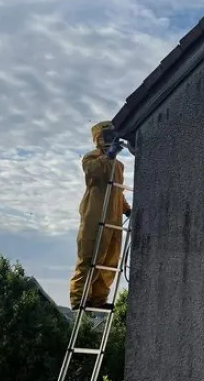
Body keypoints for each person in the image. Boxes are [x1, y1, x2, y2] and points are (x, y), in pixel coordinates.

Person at [69, 121, 131, 311]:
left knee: (109, 260)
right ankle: (79, 298)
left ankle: (98, 299)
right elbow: (93, 174)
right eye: (108, 136)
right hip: (94, 217)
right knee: (90, 257)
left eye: (113, 135)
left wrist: (127, 210)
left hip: (113, 220)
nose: (112, 139)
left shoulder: (118, 166)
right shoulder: (91, 158)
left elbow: (117, 192)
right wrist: (109, 155)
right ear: (99, 138)